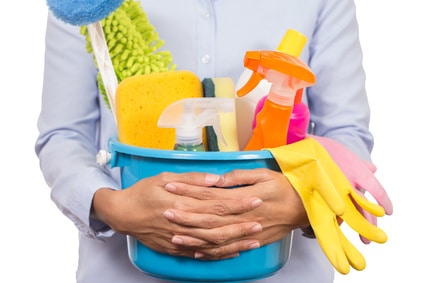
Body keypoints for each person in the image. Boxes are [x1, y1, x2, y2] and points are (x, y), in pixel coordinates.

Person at [35, 0, 374, 282]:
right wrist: (112, 207)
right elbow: (62, 136)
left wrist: (303, 201)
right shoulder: (86, 4)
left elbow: (346, 132)